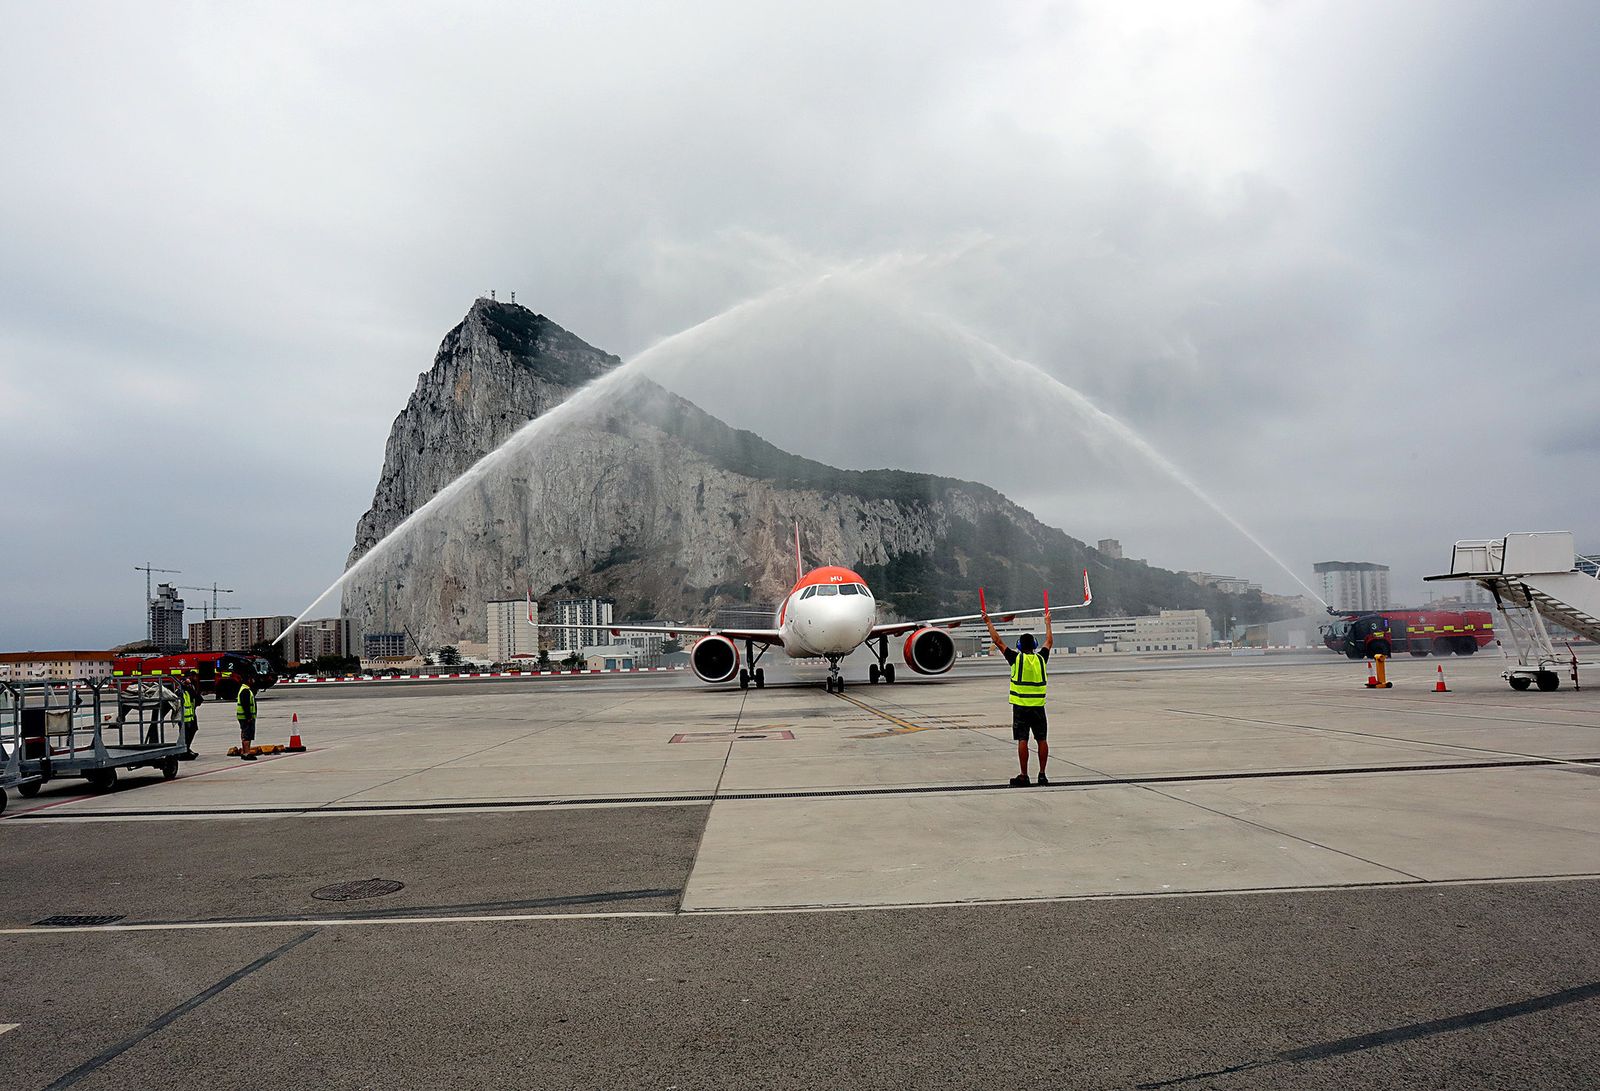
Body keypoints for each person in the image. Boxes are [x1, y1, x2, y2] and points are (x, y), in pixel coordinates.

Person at [982, 596, 1053, 787]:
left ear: (1020, 646)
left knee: (1023, 739)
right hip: (1039, 707)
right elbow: (1049, 641)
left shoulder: (1015, 659)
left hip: (1021, 708)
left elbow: (997, 641)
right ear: (1035, 646)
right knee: (1042, 740)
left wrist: (988, 622)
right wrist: (1048, 622)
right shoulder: (1041, 659)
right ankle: (1042, 775)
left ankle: (1024, 775)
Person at [179, 673, 201, 760]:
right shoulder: (183, 689)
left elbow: (196, 698)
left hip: (191, 714)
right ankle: (184, 751)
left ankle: (186, 749)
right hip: (184, 716)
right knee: (185, 734)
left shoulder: (192, 687)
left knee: (192, 730)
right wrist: (185, 683)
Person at [235, 680, 258, 761]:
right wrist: (249, 717)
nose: (253, 681)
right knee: (247, 735)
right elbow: (246, 705)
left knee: (245, 734)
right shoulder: (245, 691)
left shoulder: (244, 689)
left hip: (243, 717)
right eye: (252, 679)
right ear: (248, 680)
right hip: (246, 717)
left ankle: (245, 752)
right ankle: (247, 753)